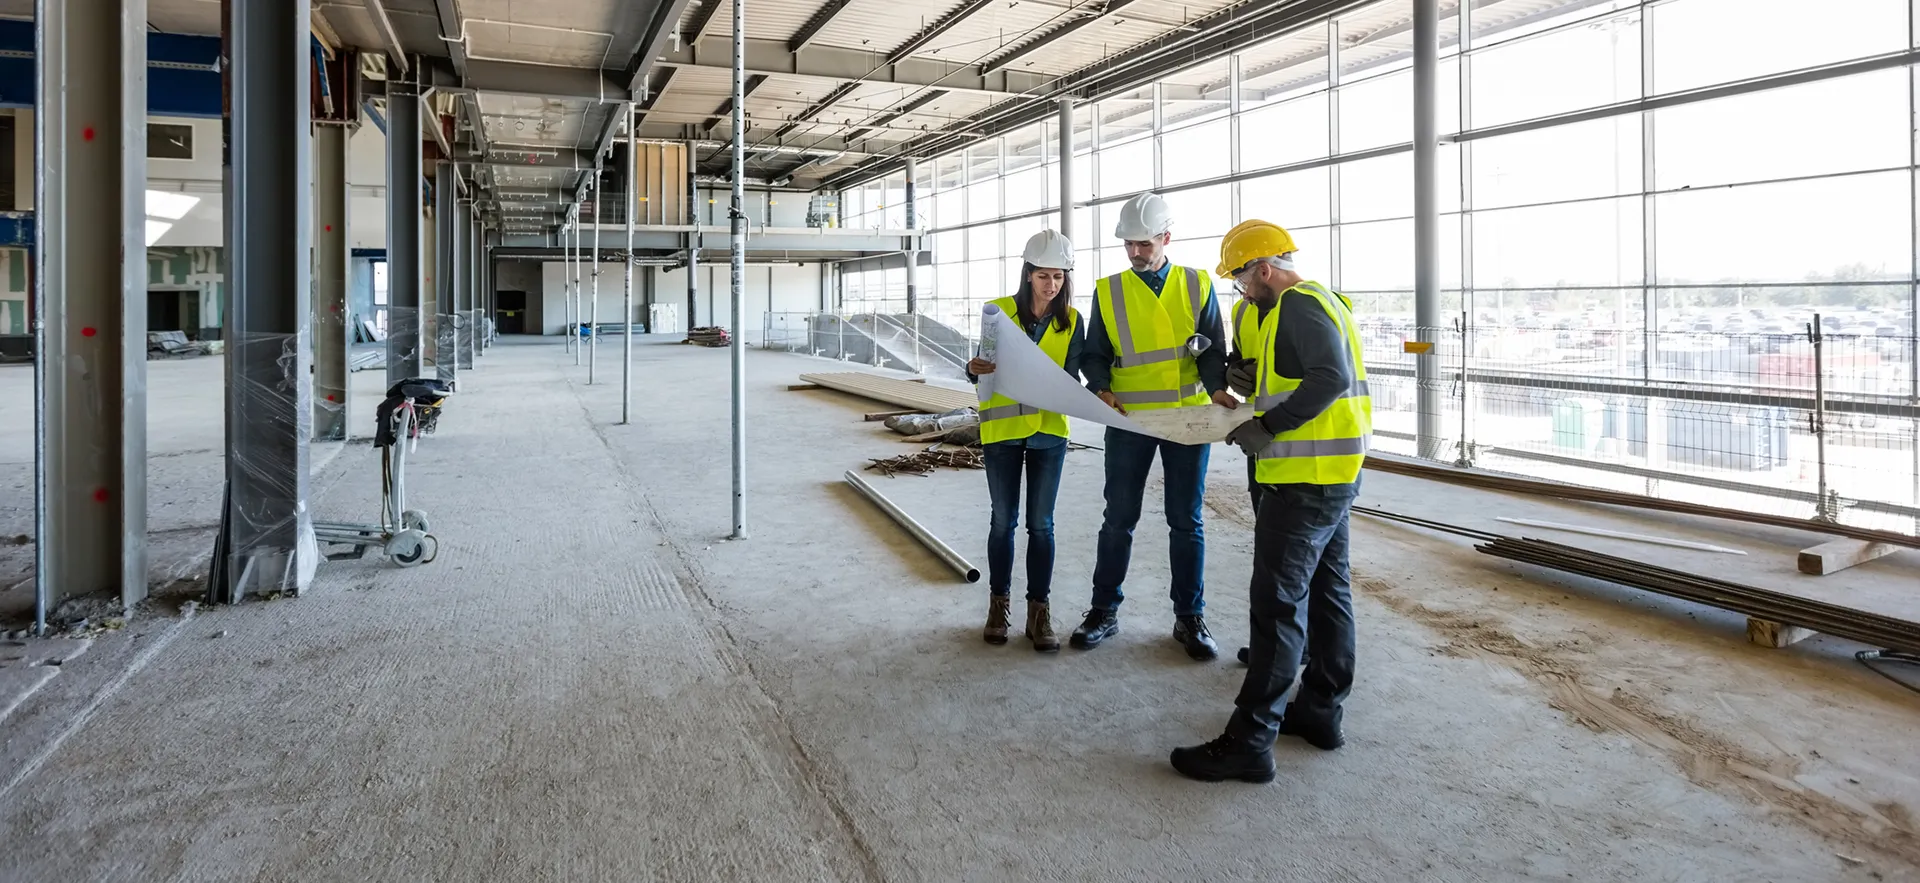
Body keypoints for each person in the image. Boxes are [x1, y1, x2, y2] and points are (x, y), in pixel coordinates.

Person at [1169, 219, 1371, 784]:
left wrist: (1268, 427)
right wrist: (1246, 374)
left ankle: (1250, 740)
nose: (1239, 289)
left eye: (1240, 279)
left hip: (1304, 478)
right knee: (1329, 593)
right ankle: (1320, 711)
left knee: (1277, 605)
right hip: (1329, 473)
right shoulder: (1296, 307)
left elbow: (1330, 377)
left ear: (1265, 269)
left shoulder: (1301, 305)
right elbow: (1291, 372)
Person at [1073, 192, 1236, 661]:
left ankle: (1190, 618)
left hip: (1188, 416)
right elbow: (1094, 355)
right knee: (1118, 518)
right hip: (1129, 418)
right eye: (1128, 244)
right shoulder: (1109, 290)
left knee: (1186, 520)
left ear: (1167, 237)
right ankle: (1103, 609)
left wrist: (1219, 389)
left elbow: (1210, 349)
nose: (1135, 253)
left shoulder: (1197, 283)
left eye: (1143, 244)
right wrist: (1101, 388)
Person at [967, 230, 1085, 652]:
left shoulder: (1072, 322)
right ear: (1028, 274)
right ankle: (998, 606)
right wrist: (972, 367)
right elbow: (982, 366)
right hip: (1002, 433)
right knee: (1003, 522)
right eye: (1043, 276)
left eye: (1058, 276)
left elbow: (1072, 378)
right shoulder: (998, 312)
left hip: (1049, 435)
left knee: (1042, 526)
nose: (1051, 284)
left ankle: (1039, 613)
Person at [1226, 284, 1267, 514]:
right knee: (1264, 522)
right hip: (1257, 429)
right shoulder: (1242, 310)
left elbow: (1326, 379)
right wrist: (1233, 371)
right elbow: (1239, 354)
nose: (1244, 293)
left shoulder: (1306, 309)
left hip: (1305, 440)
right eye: (1237, 284)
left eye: (1245, 279)